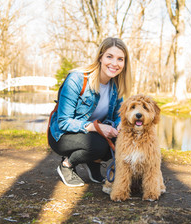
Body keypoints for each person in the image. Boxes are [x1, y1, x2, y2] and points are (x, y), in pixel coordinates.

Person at [48, 37, 132, 187]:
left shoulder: (116, 87)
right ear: (100, 57)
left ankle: (94, 163)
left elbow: (118, 116)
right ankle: (67, 165)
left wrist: (119, 126)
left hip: (92, 134)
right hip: (61, 135)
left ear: (124, 64)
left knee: (121, 140)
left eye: (120, 59)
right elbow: (63, 122)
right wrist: (96, 127)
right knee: (98, 145)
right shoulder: (77, 79)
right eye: (109, 57)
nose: (114, 63)